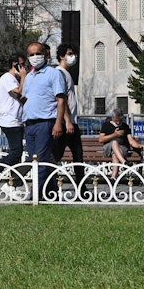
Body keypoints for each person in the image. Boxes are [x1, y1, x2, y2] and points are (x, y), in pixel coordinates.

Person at [21, 41, 66, 199]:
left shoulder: (53, 74)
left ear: (46, 55)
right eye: (31, 55)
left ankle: (35, 194)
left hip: (45, 122)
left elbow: (60, 100)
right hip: (30, 123)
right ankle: (51, 192)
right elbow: (25, 97)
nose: (35, 57)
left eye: (38, 54)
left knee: (40, 159)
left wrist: (58, 123)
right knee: (34, 160)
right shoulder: (29, 77)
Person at [0, 54, 26, 180]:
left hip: (17, 121)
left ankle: (14, 180)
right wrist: (24, 77)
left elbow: (22, 96)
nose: (24, 68)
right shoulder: (7, 78)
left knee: (16, 154)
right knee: (16, 151)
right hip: (10, 121)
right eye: (22, 65)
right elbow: (19, 91)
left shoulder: (14, 79)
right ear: (15, 64)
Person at [52, 44, 83, 188]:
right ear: (61, 56)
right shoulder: (59, 73)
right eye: (70, 54)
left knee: (78, 157)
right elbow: (61, 99)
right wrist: (67, 120)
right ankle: (47, 185)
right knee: (56, 155)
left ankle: (82, 188)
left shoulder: (67, 73)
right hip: (66, 123)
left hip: (72, 122)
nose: (73, 57)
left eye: (73, 54)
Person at [97, 108, 144, 174]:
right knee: (114, 142)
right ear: (112, 118)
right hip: (108, 148)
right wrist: (114, 135)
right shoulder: (106, 125)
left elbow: (131, 141)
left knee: (115, 155)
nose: (118, 122)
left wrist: (139, 145)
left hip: (122, 148)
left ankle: (113, 178)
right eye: (116, 120)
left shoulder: (125, 126)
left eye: (120, 120)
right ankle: (123, 162)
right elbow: (101, 139)